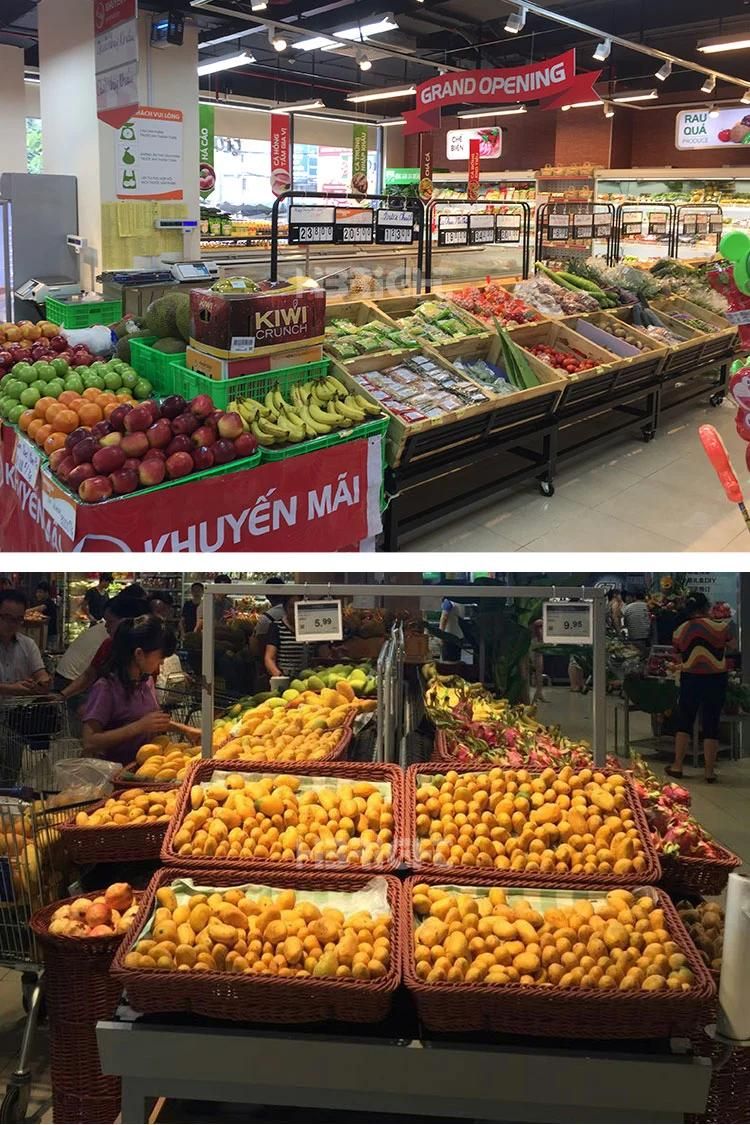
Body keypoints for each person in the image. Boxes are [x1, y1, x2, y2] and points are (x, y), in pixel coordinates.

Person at [82, 615, 198, 766]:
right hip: (115, 774)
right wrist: (138, 727)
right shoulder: (106, 688)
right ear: (139, 654)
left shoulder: (146, 681)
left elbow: (151, 721)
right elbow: (89, 741)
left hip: (146, 768)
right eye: (160, 656)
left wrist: (186, 730)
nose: (162, 662)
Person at [667, 592, 734, 784]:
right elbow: (732, 646)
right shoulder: (721, 627)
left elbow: (679, 658)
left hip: (691, 678)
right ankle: (709, 771)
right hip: (716, 679)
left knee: (685, 720)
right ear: (706, 607)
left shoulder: (680, 630)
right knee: (711, 721)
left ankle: (677, 766)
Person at [58, 591, 148, 703]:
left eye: (110, 621)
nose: (105, 626)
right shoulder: (108, 644)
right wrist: (62, 695)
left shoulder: (148, 648)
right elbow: (89, 674)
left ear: (127, 622)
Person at [0, 589, 51, 695]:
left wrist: (42, 683)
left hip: (21, 709)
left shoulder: (28, 644)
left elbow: (41, 674)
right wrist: (9, 688)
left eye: (18, 619)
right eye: (7, 618)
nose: (13, 624)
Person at [264, 596, 309, 680]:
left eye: (299, 606)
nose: (296, 610)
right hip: (285, 678)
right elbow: (269, 658)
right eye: (292, 607)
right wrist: (279, 676)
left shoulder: (312, 628)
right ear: (285, 609)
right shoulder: (276, 627)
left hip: (311, 680)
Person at [622, 588, 652, 655]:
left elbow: (626, 623)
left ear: (634, 597)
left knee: (637, 656)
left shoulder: (628, 607)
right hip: (648, 638)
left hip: (634, 638)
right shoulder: (649, 606)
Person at [439, 597, 467, 663]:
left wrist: (440, 635)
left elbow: (444, 617)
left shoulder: (448, 602)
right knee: (456, 660)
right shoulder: (461, 602)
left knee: (447, 662)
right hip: (459, 636)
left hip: (449, 636)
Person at [34, 580, 59, 645]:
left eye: (40, 592)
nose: (37, 594)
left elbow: (40, 608)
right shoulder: (42, 602)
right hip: (45, 633)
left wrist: (25, 611)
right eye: (37, 592)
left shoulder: (49, 603)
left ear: (46, 593)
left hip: (50, 635)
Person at [530, 619, 547, 703]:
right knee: (535, 671)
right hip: (533, 648)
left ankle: (539, 693)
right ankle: (535, 696)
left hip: (539, 649)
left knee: (539, 672)